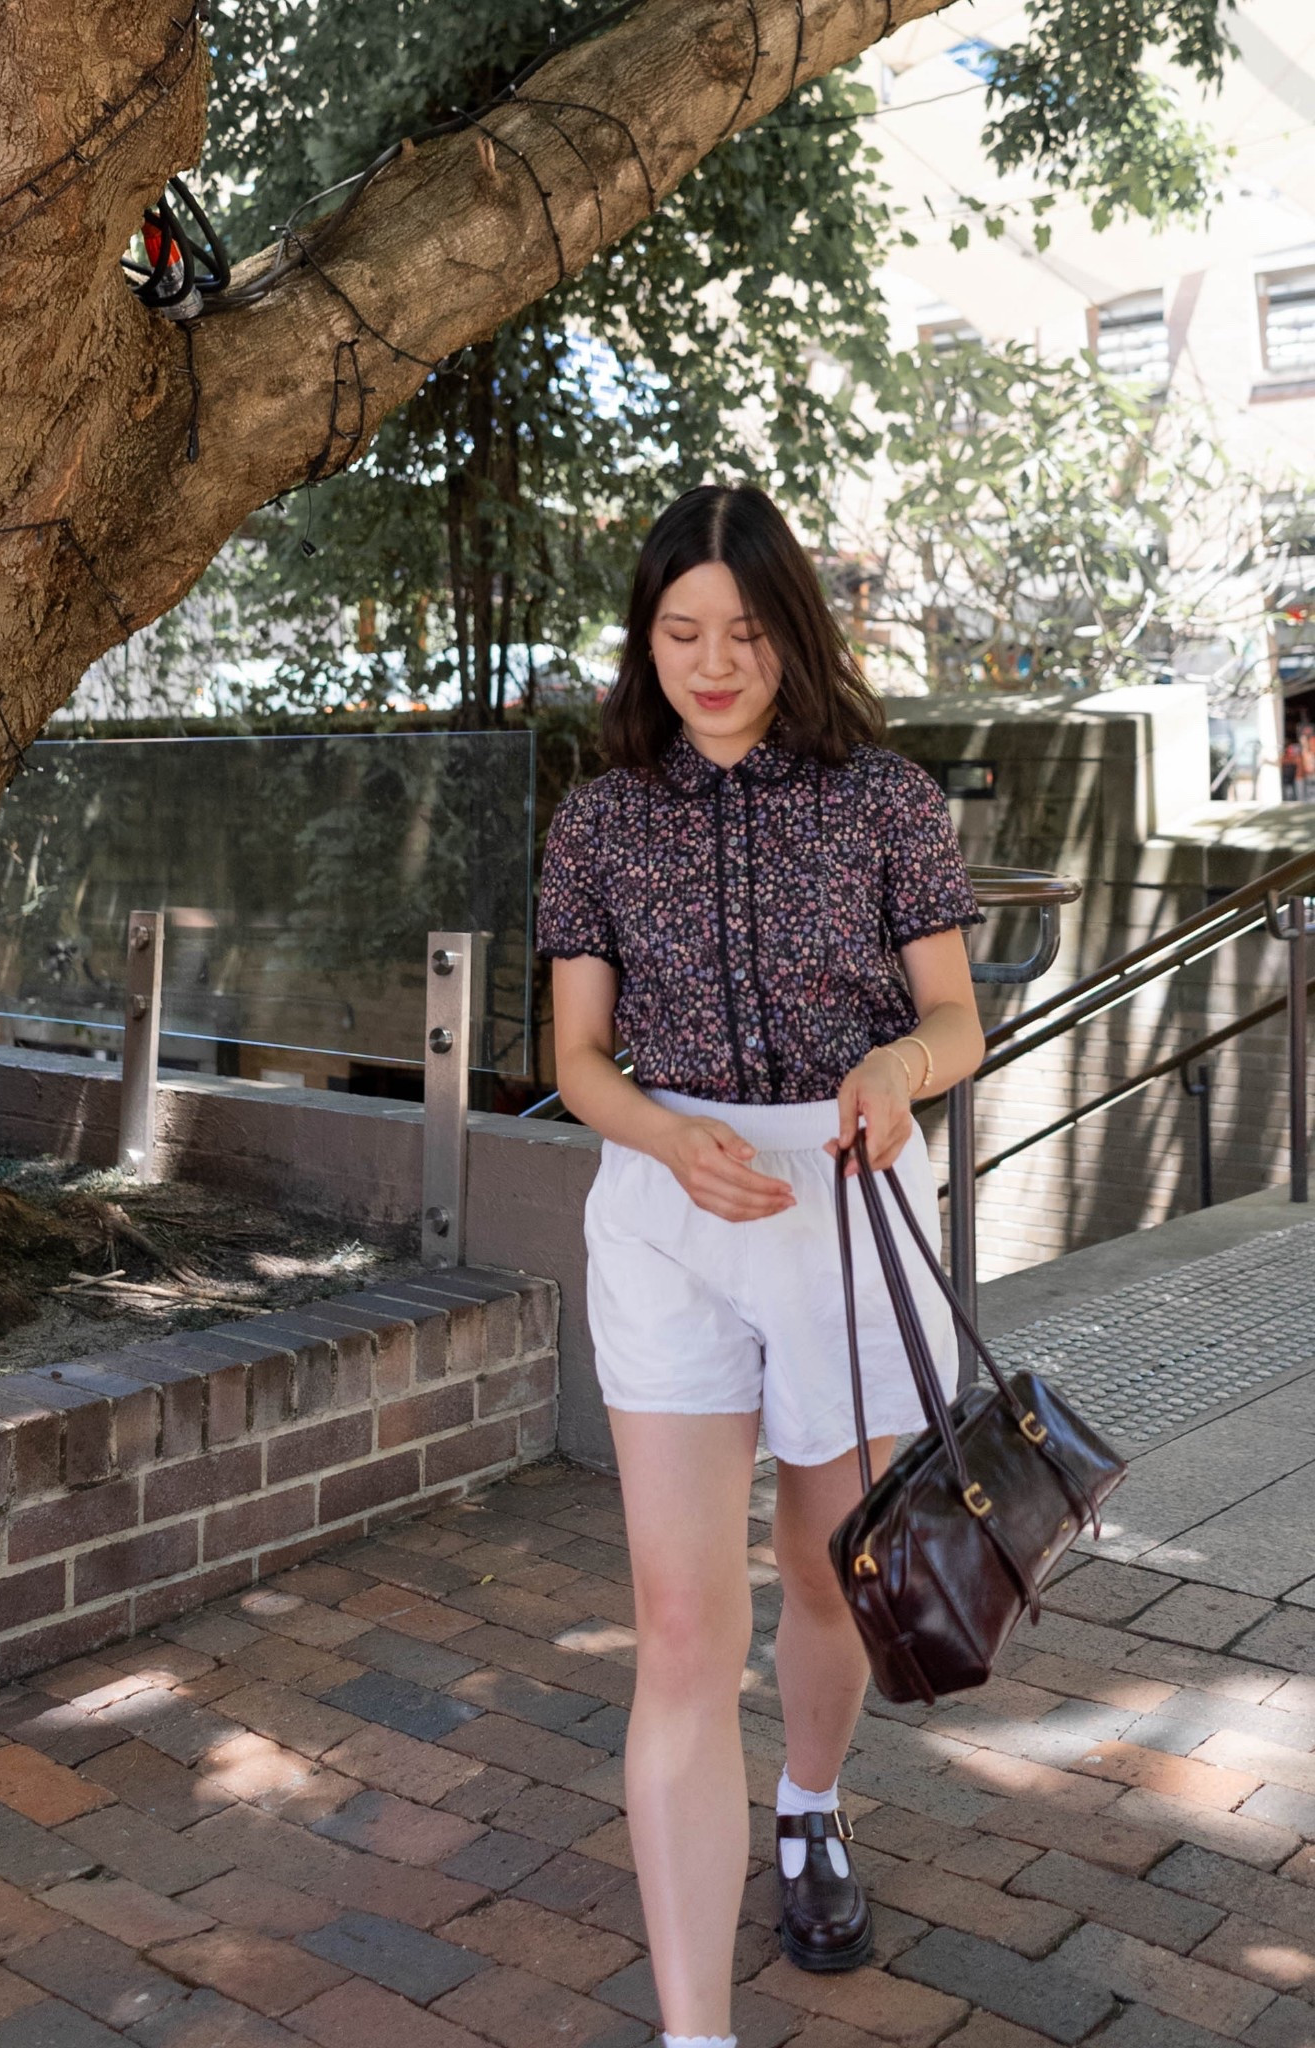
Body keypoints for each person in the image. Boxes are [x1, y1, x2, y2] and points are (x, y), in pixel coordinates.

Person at [534, 483, 987, 2048]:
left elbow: (954, 1022)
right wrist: (665, 1138)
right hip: (668, 1212)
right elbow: (577, 1059)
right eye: (680, 633)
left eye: (741, 632)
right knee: (677, 1623)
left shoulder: (883, 800)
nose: (712, 664)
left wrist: (893, 1075)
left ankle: (808, 1804)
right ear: (644, 640)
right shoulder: (600, 818)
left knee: (820, 1569)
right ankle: (693, 2033)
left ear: (791, 633)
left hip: (841, 1200)